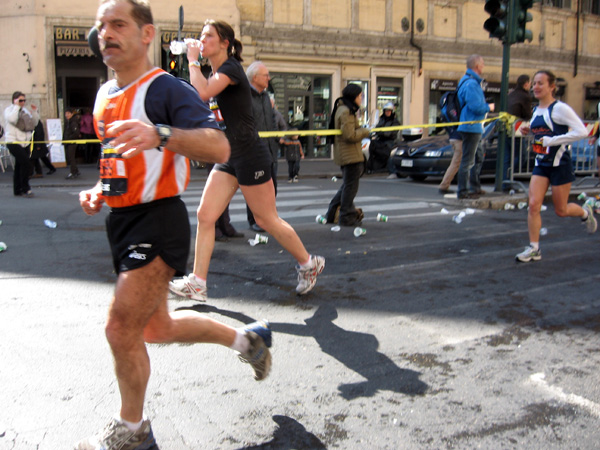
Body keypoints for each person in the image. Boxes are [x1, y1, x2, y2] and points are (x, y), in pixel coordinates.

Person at [75, 2, 272, 449]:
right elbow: (117, 160)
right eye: (101, 26)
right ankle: (247, 340)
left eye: (118, 25)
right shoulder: (105, 95)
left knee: (120, 328)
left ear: (147, 34)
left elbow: (220, 146)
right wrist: (101, 192)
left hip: (158, 220)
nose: (106, 33)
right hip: (122, 220)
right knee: (154, 329)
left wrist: (161, 134)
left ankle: (132, 430)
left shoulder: (165, 88)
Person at [168, 20, 325, 302]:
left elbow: (202, 92)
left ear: (225, 42)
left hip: (251, 154)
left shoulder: (230, 69)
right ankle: (198, 283)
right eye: (201, 37)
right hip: (229, 154)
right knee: (205, 215)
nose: (202, 41)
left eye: (208, 36)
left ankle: (308, 263)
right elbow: (198, 96)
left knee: (266, 219)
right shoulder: (215, 72)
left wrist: (192, 60)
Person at [515, 70, 595, 263]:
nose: (535, 87)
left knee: (561, 210)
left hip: (560, 164)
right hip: (541, 164)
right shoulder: (535, 111)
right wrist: (528, 131)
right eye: (534, 83)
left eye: (540, 83)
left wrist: (553, 141)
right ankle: (534, 248)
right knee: (533, 205)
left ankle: (585, 212)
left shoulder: (560, 109)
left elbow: (582, 132)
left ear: (552, 87)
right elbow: (540, 136)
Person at [323, 84, 370, 226]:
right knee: (350, 188)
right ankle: (346, 216)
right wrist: (366, 131)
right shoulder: (346, 111)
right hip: (350, 156)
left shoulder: (343, 109)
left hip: (347, 155)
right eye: (360, 95)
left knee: (347, 186)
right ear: (353, 96)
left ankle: (331, 213)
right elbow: (350, 135)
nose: (361, 98)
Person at [245, 61, 278, 233]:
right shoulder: (245, 96)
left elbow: (272, 119)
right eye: (266, 75)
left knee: (272, 187)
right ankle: (255, 220)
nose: (268, 78)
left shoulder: (266, 96)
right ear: (255, 77)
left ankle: (268, 218)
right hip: (254, 150)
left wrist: (276, 138)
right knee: (255, 189)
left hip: (270, 149)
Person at [456, 54, 494, 200]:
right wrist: (489, 107)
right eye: (483, 63)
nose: (484, 66)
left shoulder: (466, 81)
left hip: (472, 126)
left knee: (477, 157)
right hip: (471, 127)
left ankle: (474, 187)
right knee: (468, 160)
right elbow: (476, 107)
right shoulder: (472, 84)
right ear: (477, 66)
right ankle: (464, 191)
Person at [4, 91, 39, 197]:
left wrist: (35, 112)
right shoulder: (9, 110)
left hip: (25, 142)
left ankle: (17, 189)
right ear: (14, 100)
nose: (23, 102)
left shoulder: (25, 111)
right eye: (20, 100)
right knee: (26, 163)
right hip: (13, 141)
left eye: (24, 100)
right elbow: (12, 119)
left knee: (19, 166)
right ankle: (25, 188)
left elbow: (34, 123)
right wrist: (16, 106)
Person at [503, 74, 532, 185]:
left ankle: (505, 181)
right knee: (521, 156)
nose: (530, 85)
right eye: (530, 83)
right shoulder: (525, 96)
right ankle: (508, 176)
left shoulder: (511, 94)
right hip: (517, 130)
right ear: (525, 84)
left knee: (507, 157)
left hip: (506, 128)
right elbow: (527, 115)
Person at [370, 102, 399, 173]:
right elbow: (376, 127)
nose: (388, 112)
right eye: (386, 111)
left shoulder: (395, 121)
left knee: (386, 151)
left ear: (392, 111)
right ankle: (370, 166)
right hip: (380, 139)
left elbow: (389, 133)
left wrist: (381, 132)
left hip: (389, 141)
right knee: (371, 145)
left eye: (389, 111)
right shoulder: (382, 119)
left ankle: (388, 168)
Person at [437, 127, 463, 194]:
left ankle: (444, 185)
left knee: (456, 163)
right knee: (457, 163)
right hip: (459, 138)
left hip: (454, 136)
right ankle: (444, 186)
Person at [64, 107, 81, 179]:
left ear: (71, 114)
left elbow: (76, 133)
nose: (66, 115)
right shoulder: (68, 122)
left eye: (68, 113)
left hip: (72, 142)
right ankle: (75, 171)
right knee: (71, 157)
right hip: (69, 142)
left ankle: (73, 172)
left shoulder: (73, 122)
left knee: (71, 158)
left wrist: (68, 138)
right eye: (66, 113)